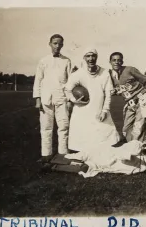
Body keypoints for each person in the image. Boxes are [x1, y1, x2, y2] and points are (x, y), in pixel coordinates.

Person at [64, 48, 120, 152]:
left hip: (98, 109)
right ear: (84, 58)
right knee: (83, 140)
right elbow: (67, 89)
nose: (91, 58)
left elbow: (108, 94)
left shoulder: (104, 73)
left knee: (103, 141)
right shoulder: (79, 73)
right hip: (82, 110)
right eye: (88, 56)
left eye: (93, 55)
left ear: (97, 57)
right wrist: (74, 100)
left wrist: (105, 111)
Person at [33, 34, 72, 163]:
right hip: (46, 99)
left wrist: (70, 100)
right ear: (50, 44)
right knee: (46, 127)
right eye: (55, 43)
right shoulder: (43, 61)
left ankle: (62, 154)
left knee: (63, 127)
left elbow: (70, 82)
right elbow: (38, 80)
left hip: (62, 98)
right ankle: (46, 155)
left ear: (62, 45)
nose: (57, 46)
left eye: (60, 44)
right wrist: (38, 99)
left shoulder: (67, 61)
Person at [108, 52, 146, 145]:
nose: (116, 62)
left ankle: (139, 150)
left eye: (119, 60)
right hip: (130, 103)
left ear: (122, 61)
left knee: (139, 127)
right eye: (114, 60)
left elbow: (145, 80)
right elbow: (119, 88)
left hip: (141, 99)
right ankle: (133, 147)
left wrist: (145, 95)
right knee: (126, 128)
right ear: (110, 62)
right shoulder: (111, 75)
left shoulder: (130, 69)